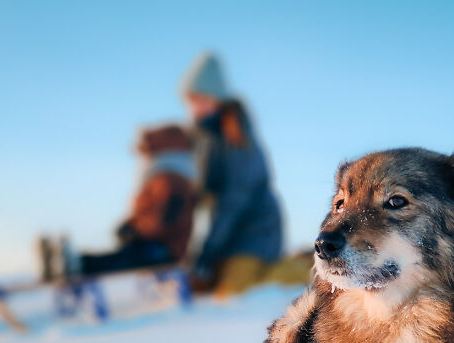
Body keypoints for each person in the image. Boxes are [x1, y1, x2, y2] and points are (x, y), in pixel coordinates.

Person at [182, 52, 290, 297]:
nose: (194, 107)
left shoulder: (237, 137)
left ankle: (305, 269)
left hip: (255, 233)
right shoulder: (203, 138)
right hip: (228, 235)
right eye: (191, 100)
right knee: (204, 289)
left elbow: (234, 200)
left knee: (232, 293)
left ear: (216, 99)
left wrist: (208, 249)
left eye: (200, 99)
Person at [39, 124, 197, 281]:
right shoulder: (161, 178)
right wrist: (129, 224)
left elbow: (167, 220)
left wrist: (136, 231)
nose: (142, 160)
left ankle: (75, 264)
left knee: (125, 259)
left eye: (146, 154)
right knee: (123, 256)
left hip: (165, 250)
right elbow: (146, 213)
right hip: (151, 244)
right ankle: (71, 262)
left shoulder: (172, 180)